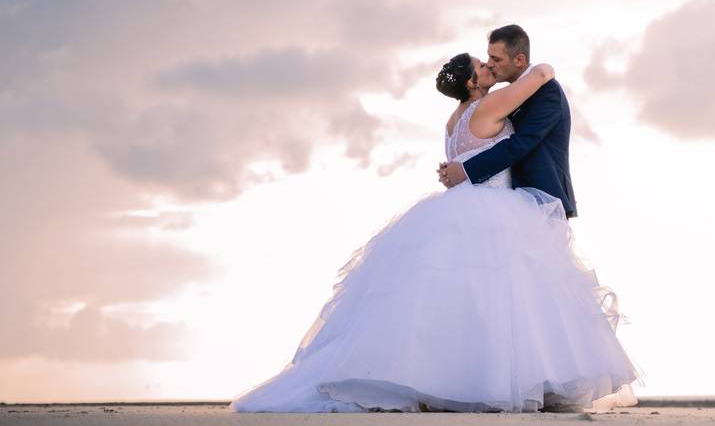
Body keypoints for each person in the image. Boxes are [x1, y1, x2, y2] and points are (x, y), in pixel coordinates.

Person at [229, 48, 644, 414]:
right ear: (471, 82)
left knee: (448, 300)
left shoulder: (453, 120)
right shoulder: (489, 105)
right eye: (482, 65)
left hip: (459, 204)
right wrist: (544, 65)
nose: (487, 66)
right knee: (503, 298)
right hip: (495, 206)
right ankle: (489, 382)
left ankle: (441, 379)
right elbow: (539, 76)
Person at [438, 25, 576, 220]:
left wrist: (465, 170)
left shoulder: (547, 92)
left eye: (495, 59)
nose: (490, 64)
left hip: (542, 198)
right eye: (487, 58)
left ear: (519, 60)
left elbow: (521, 143)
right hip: (504, 205)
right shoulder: (501, 100)